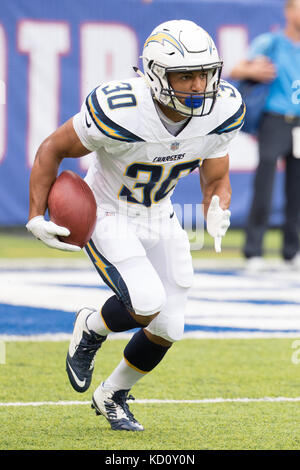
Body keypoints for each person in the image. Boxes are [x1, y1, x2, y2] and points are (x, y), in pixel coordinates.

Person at [26, 20, 244, 432]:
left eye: (203, 74)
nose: (198, 86)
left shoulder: (223, 109)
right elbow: (53, 148)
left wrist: (218, 205)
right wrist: (37, 213)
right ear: (156, 75)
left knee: (169, 325)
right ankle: (91, 325)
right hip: (108, 210)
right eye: (185, 75)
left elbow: (216, 176)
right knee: (145, 301)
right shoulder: (120, 108)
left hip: (159, 213)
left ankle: (113, 394)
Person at [230, 0, 300, 271]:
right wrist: (252, 71)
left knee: (297, 189)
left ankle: (292, 251)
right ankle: (254, 251)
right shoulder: (271, 42)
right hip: (274, 120)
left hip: (299, 124)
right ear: (288, 12)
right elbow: (237, 69)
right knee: (265, 185)